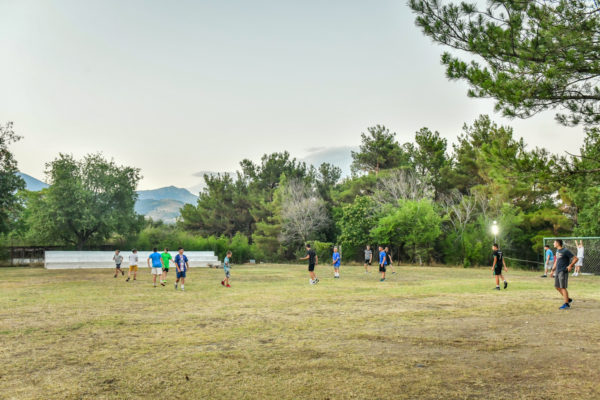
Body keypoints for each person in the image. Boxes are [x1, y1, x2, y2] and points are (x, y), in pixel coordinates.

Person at [550, 239, 577, 310]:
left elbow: (575, 258)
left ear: (558, 243)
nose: (553, 244)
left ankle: (566, 304)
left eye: (554, 242)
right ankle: (567, 299)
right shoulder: (557, 251)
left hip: (563, 271)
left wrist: (570, 265)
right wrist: (552, 270)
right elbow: (557, 261)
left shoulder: (565, 251)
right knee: (557, 287)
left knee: (562, 287)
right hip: (558, 271)